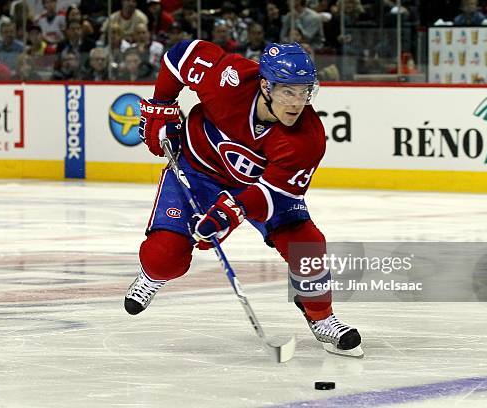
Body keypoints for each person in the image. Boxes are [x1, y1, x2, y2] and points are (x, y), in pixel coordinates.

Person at [123, 40, 362, 355]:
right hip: (197, 171)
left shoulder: (308, 138)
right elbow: (179, 57)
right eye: (287, 92)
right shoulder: (228, 78)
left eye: (304, 92)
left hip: (257, 189)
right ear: (265, 85)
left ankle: (322, 318)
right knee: (164, 257)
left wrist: (230, 213)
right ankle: (152, 275)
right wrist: (162, 106)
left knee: (308, 245)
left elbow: (274, 194)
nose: (296, 103)